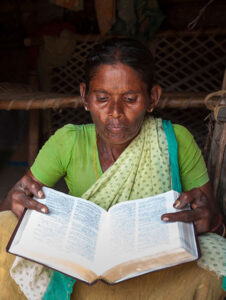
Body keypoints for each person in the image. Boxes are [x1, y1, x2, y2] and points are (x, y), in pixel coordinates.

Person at [0, 38, 225, 300]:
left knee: (216, 259)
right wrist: (16, 201)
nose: (115, 112)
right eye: (102, 98)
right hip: (83, 275)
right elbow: (13, 206)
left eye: (130, 99)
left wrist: (210, 220)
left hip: (154, 273)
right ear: (85, 96)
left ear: (152, 98)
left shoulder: (175, 140)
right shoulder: (67, 141)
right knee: (4, 226)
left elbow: (214, 223)